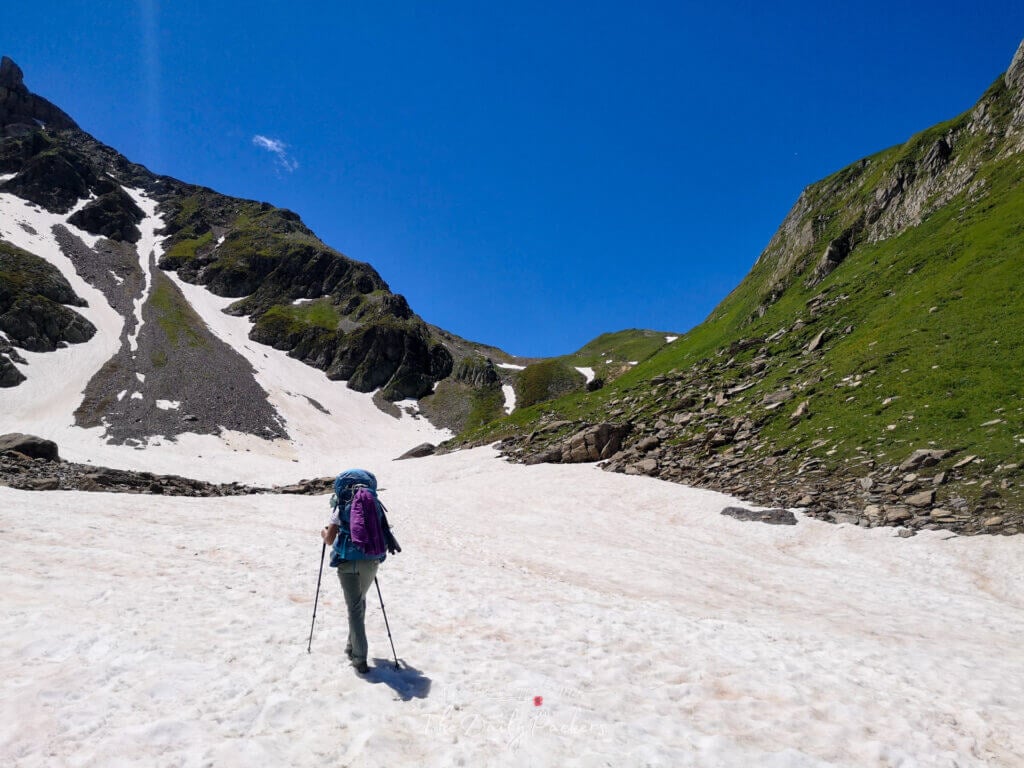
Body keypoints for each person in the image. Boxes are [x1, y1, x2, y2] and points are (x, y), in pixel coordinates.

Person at [321, 468, 388, 675]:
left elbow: (330, 540)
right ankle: (351, 647)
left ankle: (359, 659)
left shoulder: (340, 507)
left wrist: (323, 532)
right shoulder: (374, 504)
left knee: (354, 610)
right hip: (371, 561)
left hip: (347, 563)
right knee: (359, 602)